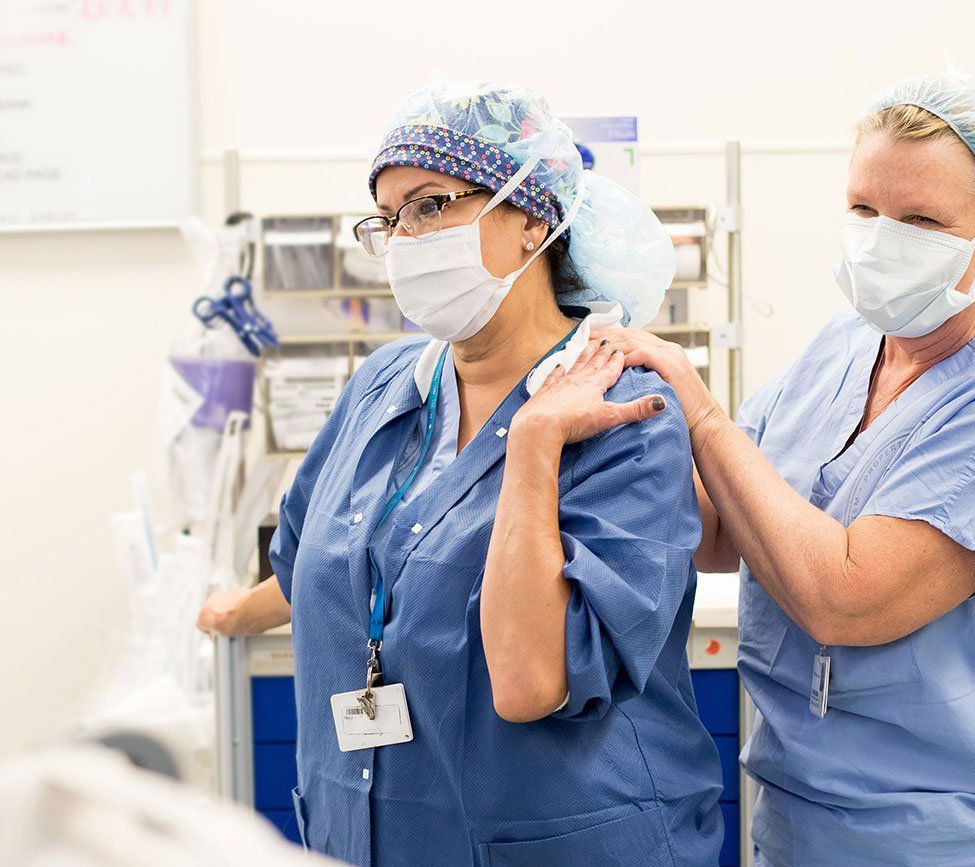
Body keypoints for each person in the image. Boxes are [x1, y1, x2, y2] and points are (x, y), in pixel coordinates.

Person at [595, 70, 975, 865]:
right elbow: (719, 529)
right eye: (863, 210)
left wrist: (700, 413)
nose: (880, 239)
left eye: (920, 220)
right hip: (811, 830)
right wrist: (607, 424)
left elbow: (845, 598)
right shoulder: (843, 349)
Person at [197, 81, 724, 865]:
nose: (404, 238)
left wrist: (536, 444)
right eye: (388, 218)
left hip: (562, 841)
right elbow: (323, 556)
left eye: (430, 205)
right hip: (370, 833)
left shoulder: (625, 413)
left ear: (531, 219)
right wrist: (235, 611)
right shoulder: (383, 385)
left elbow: (533, 680)